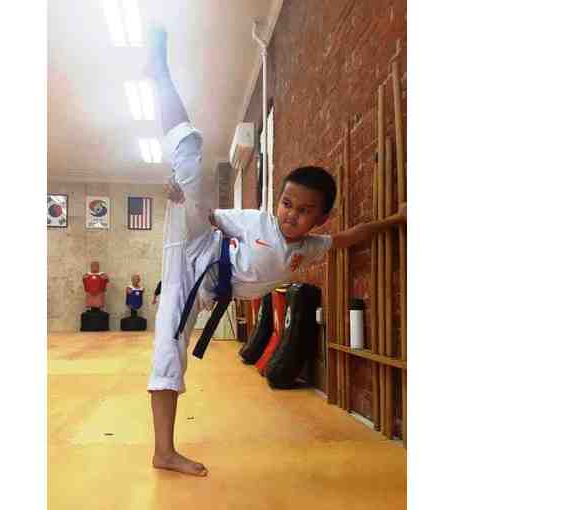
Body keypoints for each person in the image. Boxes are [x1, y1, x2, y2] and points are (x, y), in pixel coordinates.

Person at [145, 27, 406, 477]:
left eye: (304, 211)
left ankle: (162, 451)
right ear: (278, 201)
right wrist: (184, 199)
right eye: (287, 204)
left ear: (319, 218)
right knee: (190, 151)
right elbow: (211, 219)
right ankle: (160, 72)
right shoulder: (258, 221)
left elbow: (351, 236)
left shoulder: (311, 246)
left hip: (198, 288)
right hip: (194, 249)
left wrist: (395, 220)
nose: (291, 215)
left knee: (171, 351)